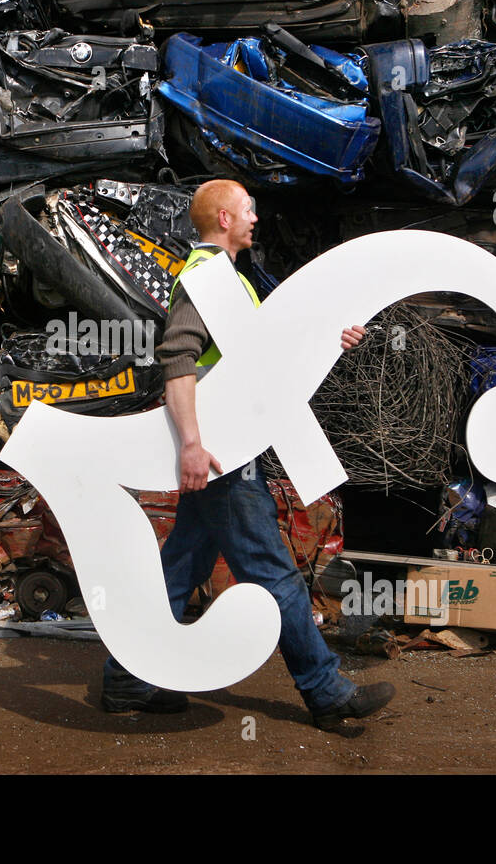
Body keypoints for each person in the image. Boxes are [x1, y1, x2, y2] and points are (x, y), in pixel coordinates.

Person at [99, 178, 396, 735]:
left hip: (226, 448)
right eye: (247, 209)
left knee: (179, 566)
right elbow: (178, 364)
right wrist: (191, 443)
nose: (256, 218)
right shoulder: (206, 280)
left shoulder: (229, 282)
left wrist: (334, 339)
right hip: (221, 456)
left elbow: (264, 360)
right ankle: (326, 690)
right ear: (224, 220)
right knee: (274, 573)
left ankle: (128, 679)